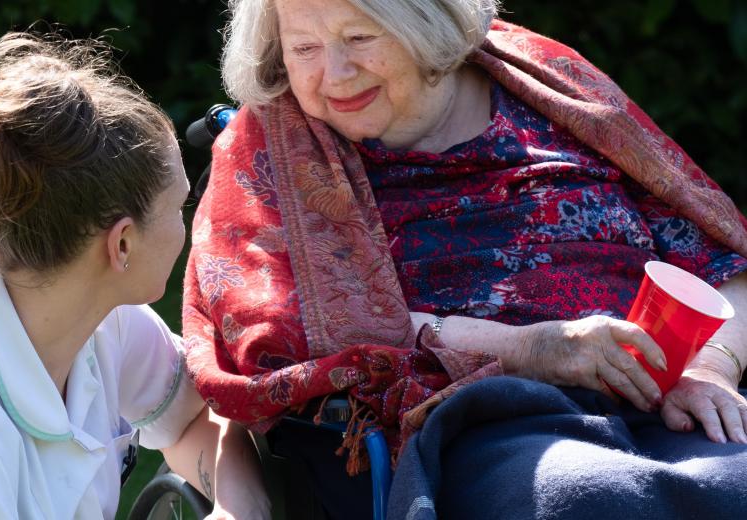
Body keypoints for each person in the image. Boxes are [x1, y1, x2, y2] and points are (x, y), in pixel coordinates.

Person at [181, 0, 747, 518]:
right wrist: (535, 350)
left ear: (428, 25)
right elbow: (280, 336)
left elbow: (723, 256)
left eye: (360, 37)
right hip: (481, 425)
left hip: (664, 395)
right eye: (303, 48)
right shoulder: (270, 147)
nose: (335, 73)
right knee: (591, 497)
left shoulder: (541, 75)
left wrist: (711, 366)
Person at [0, 31, 269, 519]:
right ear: (121, 245)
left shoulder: (106, 323)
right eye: (179, 205)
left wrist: (240, 510)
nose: (190, 222)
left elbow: (195, 421)